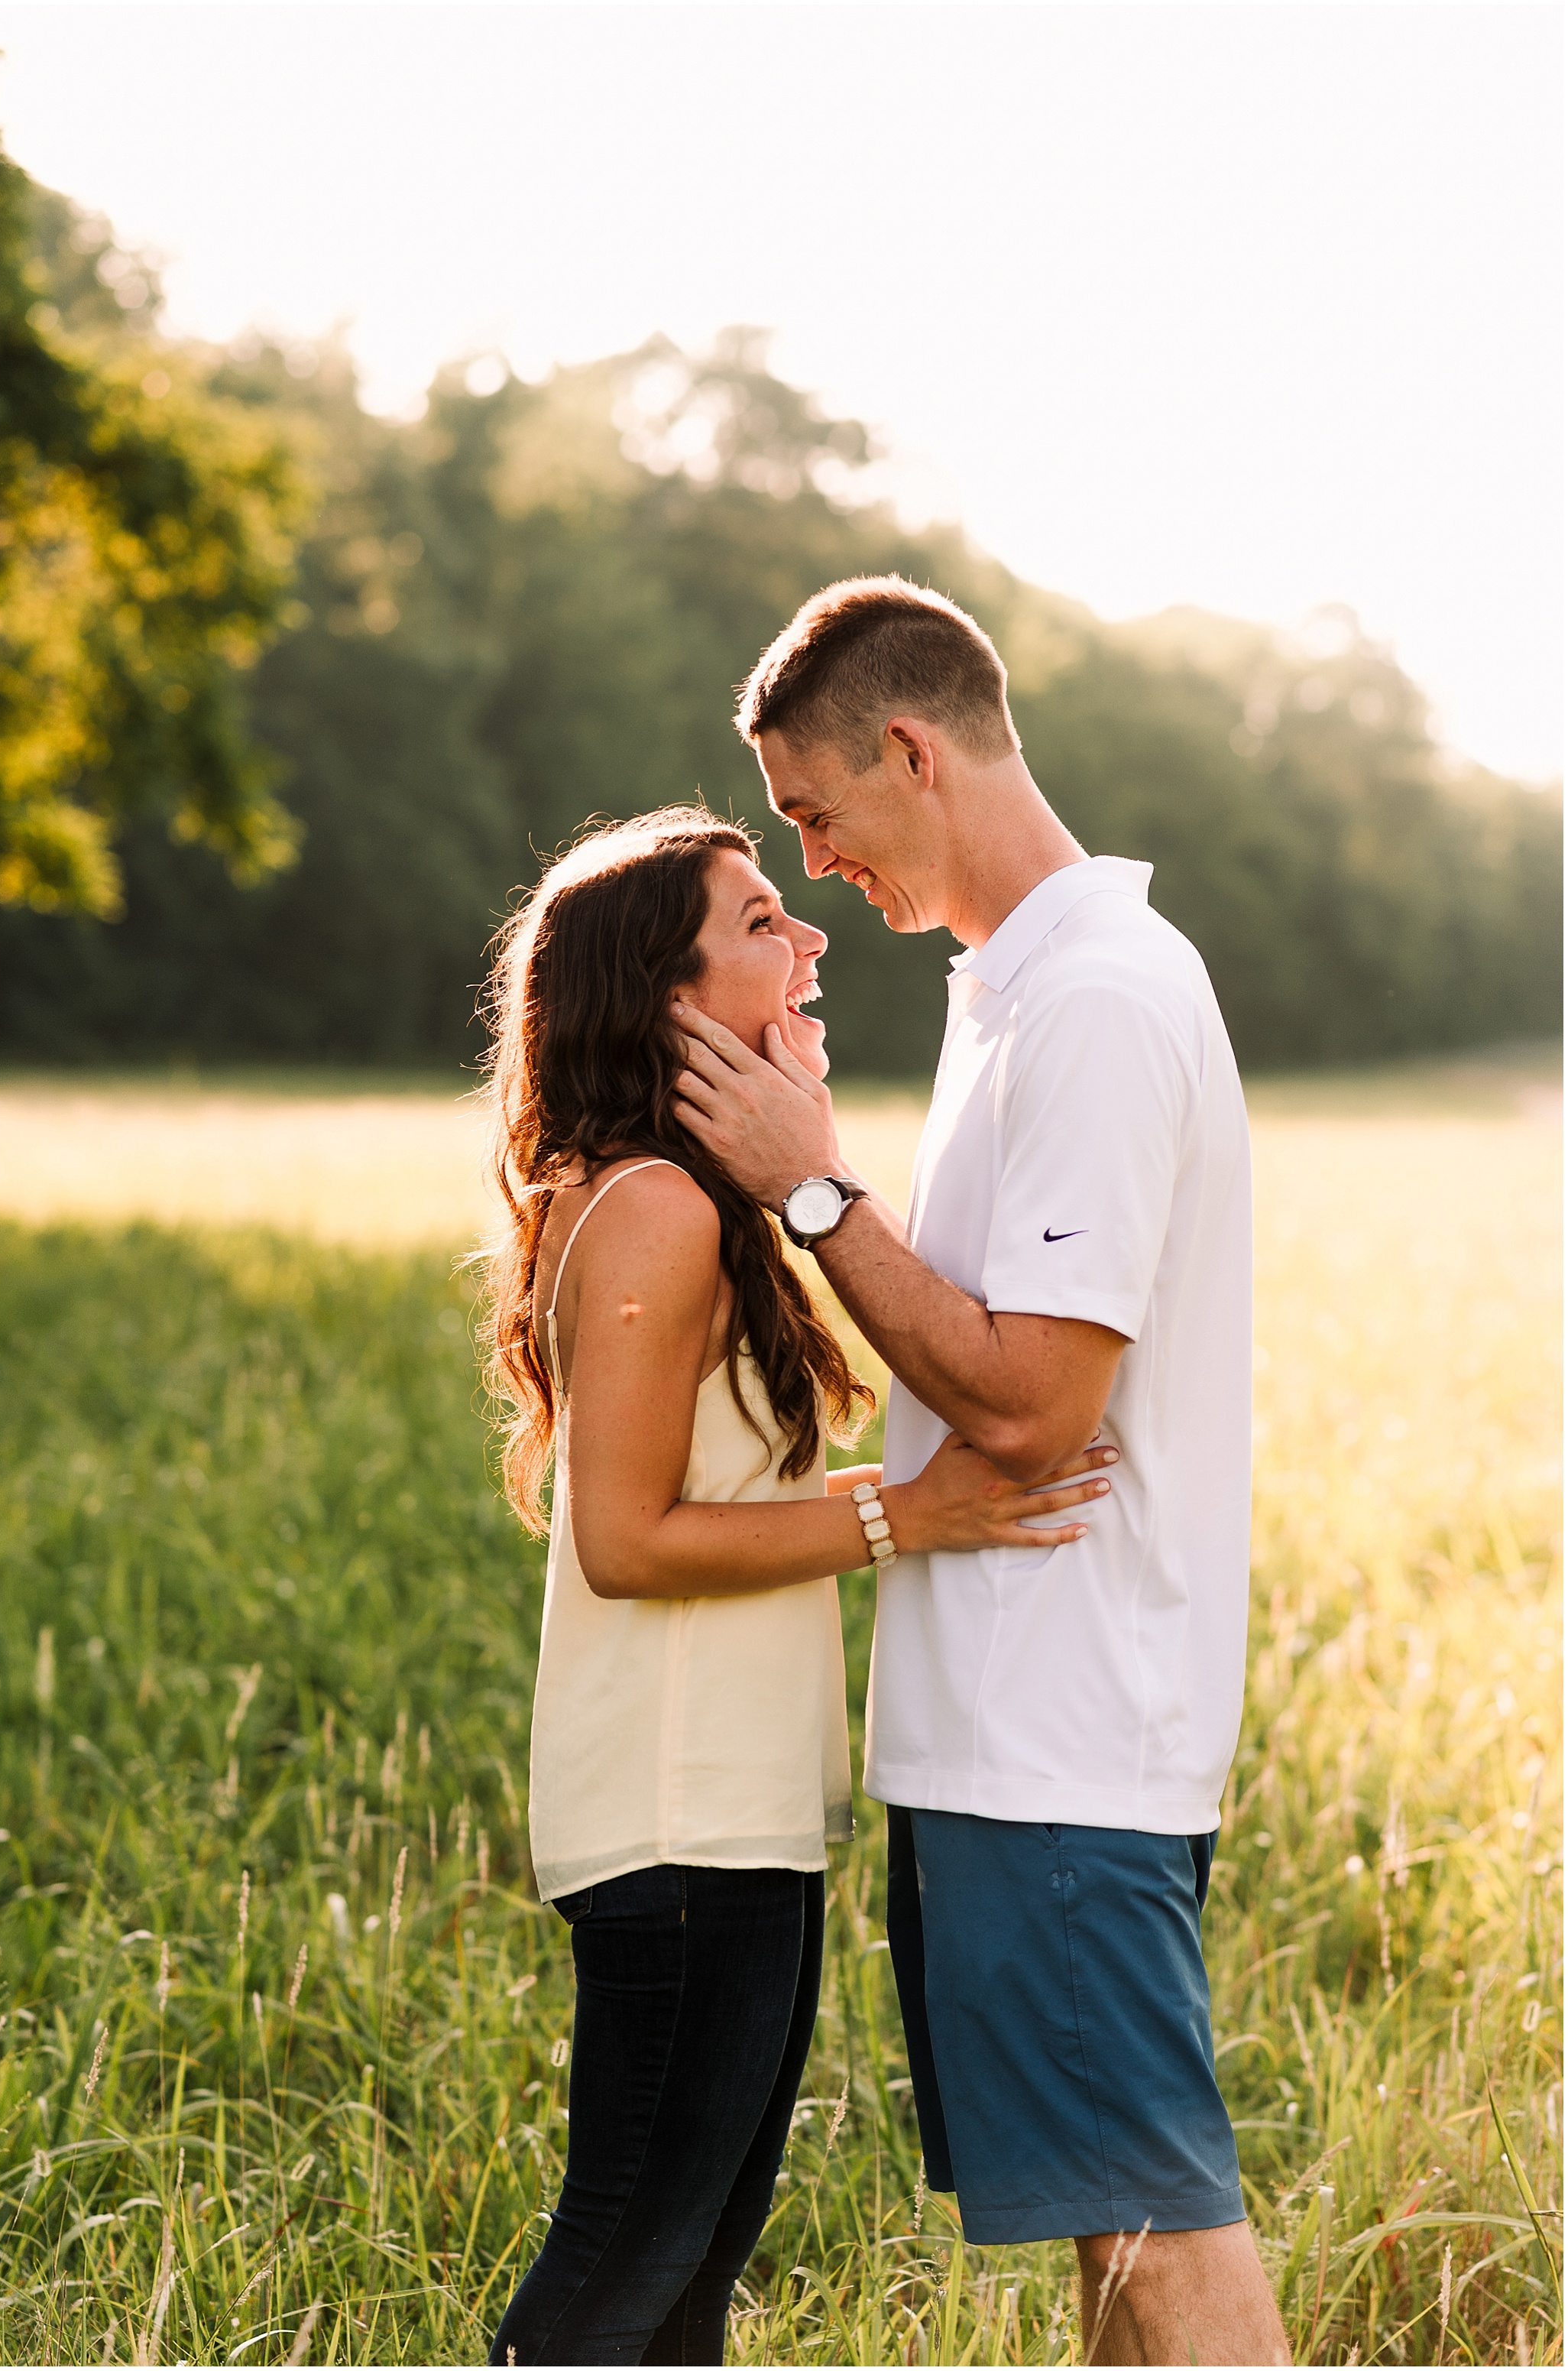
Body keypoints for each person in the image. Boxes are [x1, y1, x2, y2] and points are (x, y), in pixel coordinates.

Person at [671, 582, 1291, 2367]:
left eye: (813, 812)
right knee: (1113, 2237)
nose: (814, 859)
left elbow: (1029, 1406)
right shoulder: (1011, 993)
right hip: (1007, 1739)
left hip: (1064, 1738)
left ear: (911, 752)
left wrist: (812, 1194)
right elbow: (957, 1349)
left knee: (1159, 2233)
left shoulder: (1095, 997)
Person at [478, 805, 1116, 2368]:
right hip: (676, 1817)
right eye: (761, 919)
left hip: (732, 1815)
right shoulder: (654, 1209)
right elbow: (625, 1540)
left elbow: (718, 1503)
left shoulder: (691, 1204)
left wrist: (909, 1502)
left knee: (683, 2290)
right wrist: (909, 1517)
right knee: (618, 2277)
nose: (811, 934)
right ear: (671, 999)